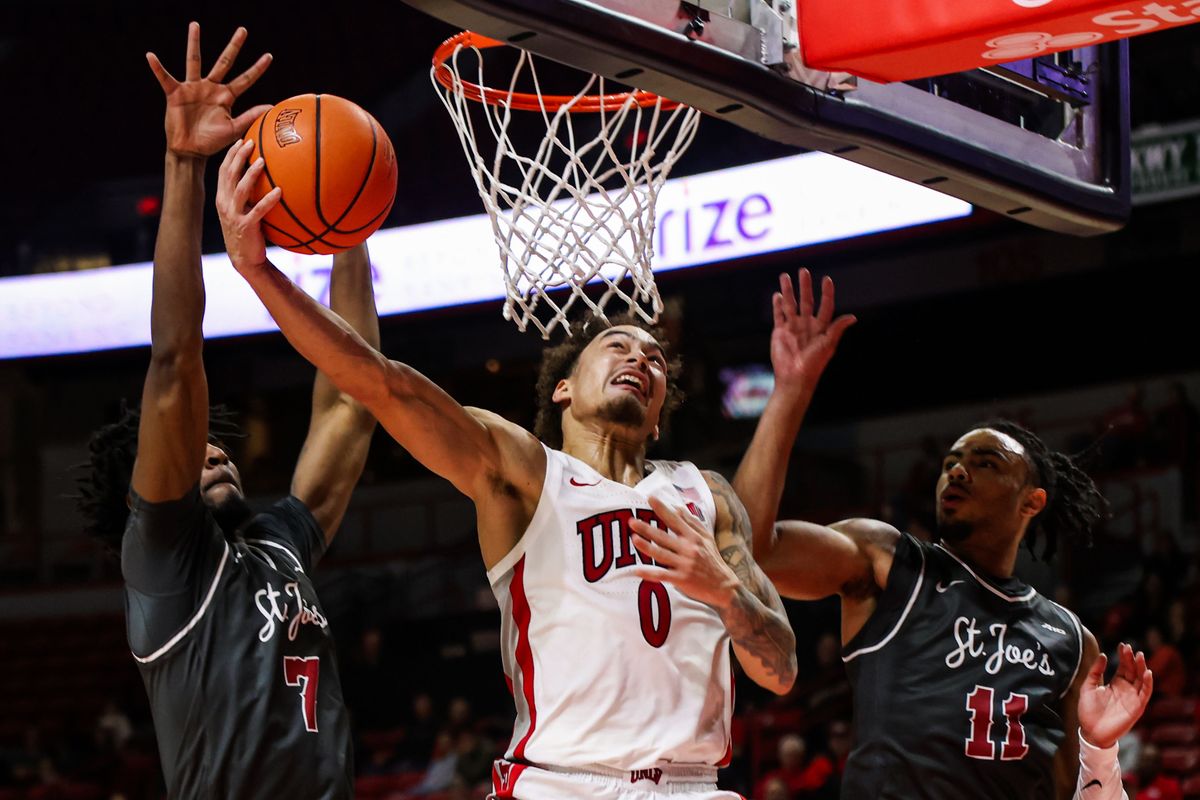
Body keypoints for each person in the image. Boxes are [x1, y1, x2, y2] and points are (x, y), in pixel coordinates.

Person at [214, 134, 798, 799]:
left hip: (695, 785)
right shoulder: (524, 473)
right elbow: (383, 384)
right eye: (617, 345)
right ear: (564, 389)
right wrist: (260, 273)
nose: (641, 358)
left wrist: (723, 589)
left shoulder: (707, 494)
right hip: (560, 786)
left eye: (656, 358)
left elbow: (779, 670)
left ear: (661, 412)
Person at [76, 23, 378, 799]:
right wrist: (185, 165)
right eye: (194, 452)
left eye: (218, 448)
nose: (213, 453)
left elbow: (351, 398)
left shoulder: (279, 540)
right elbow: (176, 363)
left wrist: (351, 228)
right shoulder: (164, 561)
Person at [732, 269, 1153, 799]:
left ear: (1032, 501)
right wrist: (790, 391)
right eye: (951, 461)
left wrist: (1100, 747)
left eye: (985, 462)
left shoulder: (1070, 639)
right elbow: (751, 550)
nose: (957, 471)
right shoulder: (889, 563)